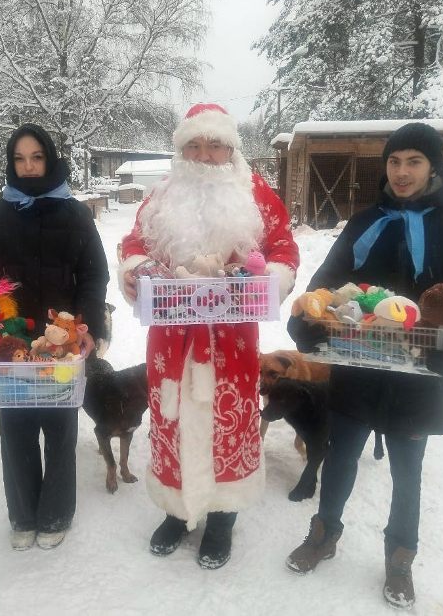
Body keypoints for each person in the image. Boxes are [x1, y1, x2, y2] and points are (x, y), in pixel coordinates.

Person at [285, 122, 443, 608]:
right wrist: (307, 321)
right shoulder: (367, 221)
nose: (402, 172)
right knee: (340, 456)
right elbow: (326, 282)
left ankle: (400, 556)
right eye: (394, 162)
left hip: (422, 372)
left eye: (414, 162)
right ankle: (324, 533)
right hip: (358, 365)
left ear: (434, 167)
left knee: (407, 471)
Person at [119, 103, 299, 569]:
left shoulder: (256, 194)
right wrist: (137, 270)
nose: (204, 155)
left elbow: (283, 246)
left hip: (231, 338)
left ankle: (222, 515)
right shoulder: (162, 195)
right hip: (173, 335)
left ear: (230, 149)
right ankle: (177, 511)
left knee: (227, 422)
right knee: (173, 418)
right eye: (194, 146)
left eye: (215, 145)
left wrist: (272, 278)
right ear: (181, 151)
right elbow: (135, 243)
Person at [0, 124, 109, 551]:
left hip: (60, 341)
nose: (28, 167)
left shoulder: (75, 213)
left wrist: (89, 327)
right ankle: (23, 514)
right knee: (17, 429)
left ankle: (56, 513)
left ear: (49, 159)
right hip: (9, 341)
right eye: (19, 159)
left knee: (60, 427)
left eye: (36, 157)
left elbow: (94, 275)